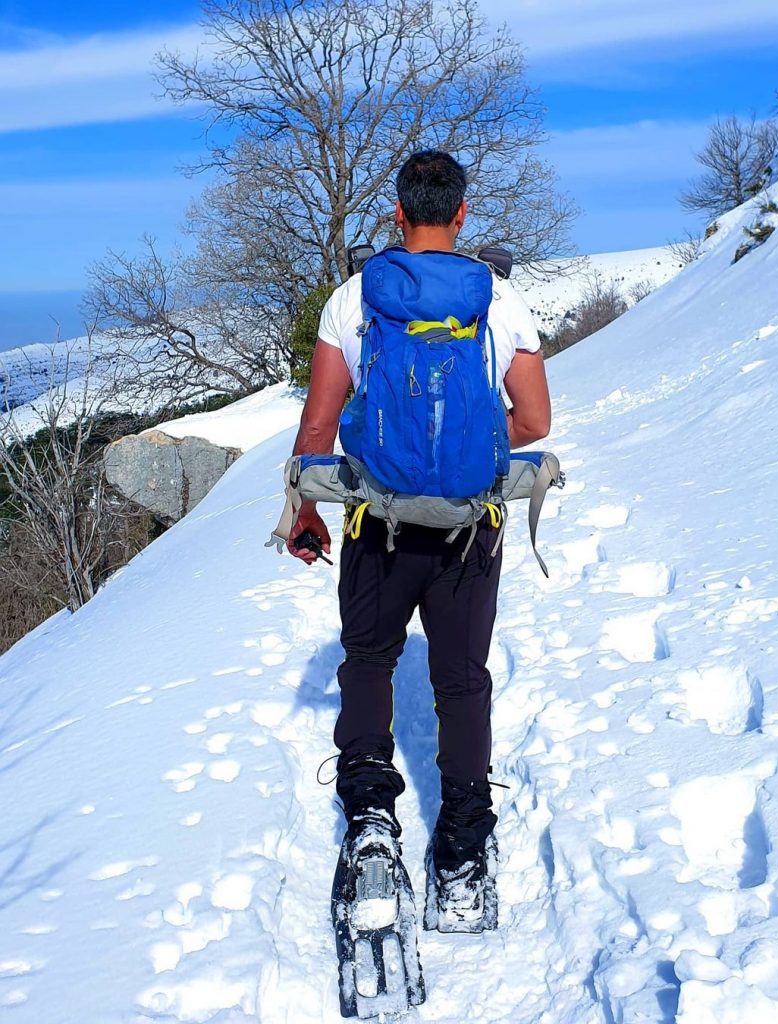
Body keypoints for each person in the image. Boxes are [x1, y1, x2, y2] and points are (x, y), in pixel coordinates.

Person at [287, 151, 551, 935]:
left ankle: (371, 824)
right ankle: (463, 854)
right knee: (461, 677)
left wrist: (306, 509)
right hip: (471, 524)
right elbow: (534, 423)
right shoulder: (498, 299)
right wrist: (468, 451)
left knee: (369, 659)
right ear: (461, 213)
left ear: (396, 215)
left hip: (379, 520)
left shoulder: (354, 297)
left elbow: (319, 424)